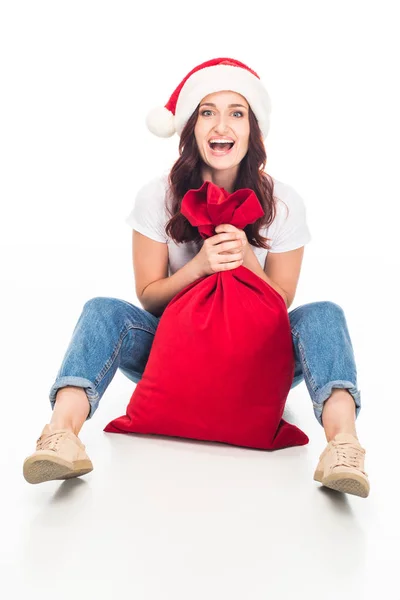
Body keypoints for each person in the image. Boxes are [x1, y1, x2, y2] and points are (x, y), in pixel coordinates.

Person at [23, 57, 369, 498]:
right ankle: (61, 437)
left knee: (323, 316)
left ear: (252, 130)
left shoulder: (283, 202)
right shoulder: (157, 196)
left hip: (256, 357)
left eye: (236, 112)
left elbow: (279, 304)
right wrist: (199, 267)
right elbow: (149, 298)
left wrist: (247, 261)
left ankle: (343, 446)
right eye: (207, 111)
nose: (221, 124)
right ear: (190, 127)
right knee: (103, 311)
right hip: (174, 349)